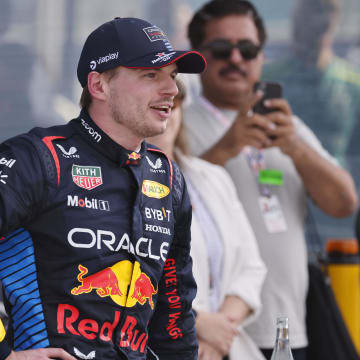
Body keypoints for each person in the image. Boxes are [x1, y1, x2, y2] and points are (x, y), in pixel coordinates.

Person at [0, 17, 206, 360]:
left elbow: (174, 312)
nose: (171, 90)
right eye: (151, 75)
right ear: (99, 85)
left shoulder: (167, 177)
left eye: (172, 76)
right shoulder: (38, 159)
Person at [183, 1, 358, 359]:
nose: (235, 58)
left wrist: (294, 146)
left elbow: (343, 203)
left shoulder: (285, 124)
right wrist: (228, 146)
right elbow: (168, 206)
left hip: (289, 325)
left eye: (247, 49)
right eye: (220, 49)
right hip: (218, 332)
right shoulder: (177, 124)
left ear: (262, 57)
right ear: (198, 56)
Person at [149, 80, 267, 360]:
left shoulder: (212, 177)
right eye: (158, 104)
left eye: (174, 103)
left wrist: (220, 332)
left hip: (227, 347)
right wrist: (198, 324)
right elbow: (124, 278)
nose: (168, 111)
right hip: (162, 346)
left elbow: (252, 267)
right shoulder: (116, 184)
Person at [262, 0, 360, 165]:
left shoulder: (352, 84)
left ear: (333, 23)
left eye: (326, 13)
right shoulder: (267, 79)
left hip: (335, 182)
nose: (318, 22)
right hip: (282, 179)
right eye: (310, 13)